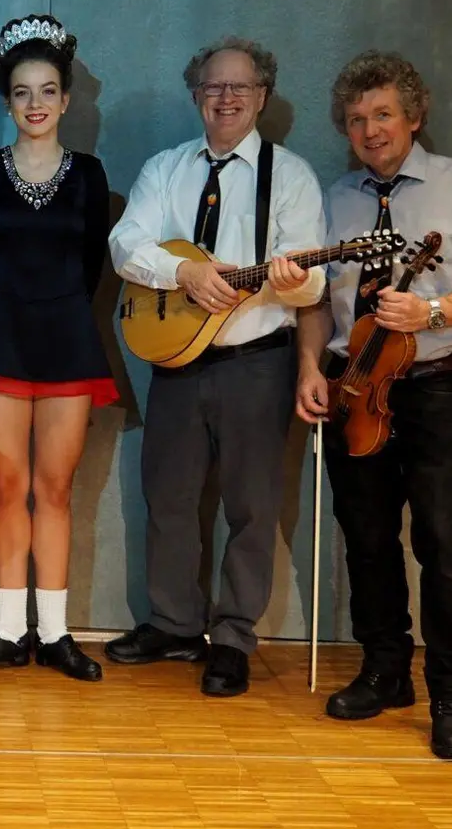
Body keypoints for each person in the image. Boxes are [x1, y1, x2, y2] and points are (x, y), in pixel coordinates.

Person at [296, 50, 452, 760]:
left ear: (414, 116)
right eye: (355, 119)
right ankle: (384, 669)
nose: (369, 130)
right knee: (365, 535)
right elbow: (313, 301)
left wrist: (432, 310)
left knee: (439, 536)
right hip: (350, 384)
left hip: (433, 384)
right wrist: (309, 366)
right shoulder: (333, 199)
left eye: (382, 115)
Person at [105, 36, 326, 697]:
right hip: (175, 360)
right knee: (169, 497)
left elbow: (313, 288)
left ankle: (232, 636)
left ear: (262, 97)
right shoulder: (165, 169)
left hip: (257, 364)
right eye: (213, 87)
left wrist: (288, 281)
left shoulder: (290, 177)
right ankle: (173, 623)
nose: (226, 98)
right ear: (196, 95)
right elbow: (125, 243)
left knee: (251, 506)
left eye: (240, 87)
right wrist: (184, 272)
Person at [0, 15, 118, 681]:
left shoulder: (90, 174)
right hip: (0, 342)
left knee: (55, 488)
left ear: (67, 99)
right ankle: (7, 631)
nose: (37, 104)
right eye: (22, 92)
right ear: (7, 99)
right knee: (7, 486)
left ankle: (55, 633)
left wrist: (56, 309)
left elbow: (91, 265)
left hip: (68, 340)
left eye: (48, 90)